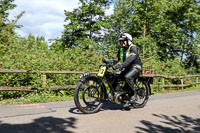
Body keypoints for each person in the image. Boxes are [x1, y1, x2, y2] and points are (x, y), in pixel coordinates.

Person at [112, 33, 143, 103]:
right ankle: (119, 92)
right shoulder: (121, 50)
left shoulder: (133, 48)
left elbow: (130, 59)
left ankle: (133, 94)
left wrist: (121, 65)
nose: (122, 42)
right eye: (120, 41)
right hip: (126, 68)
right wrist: (108, 63)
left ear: (128, 40)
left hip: (136, 67)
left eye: (123, 40)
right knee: (112, 75)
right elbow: (116, 59)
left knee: (127, 77)